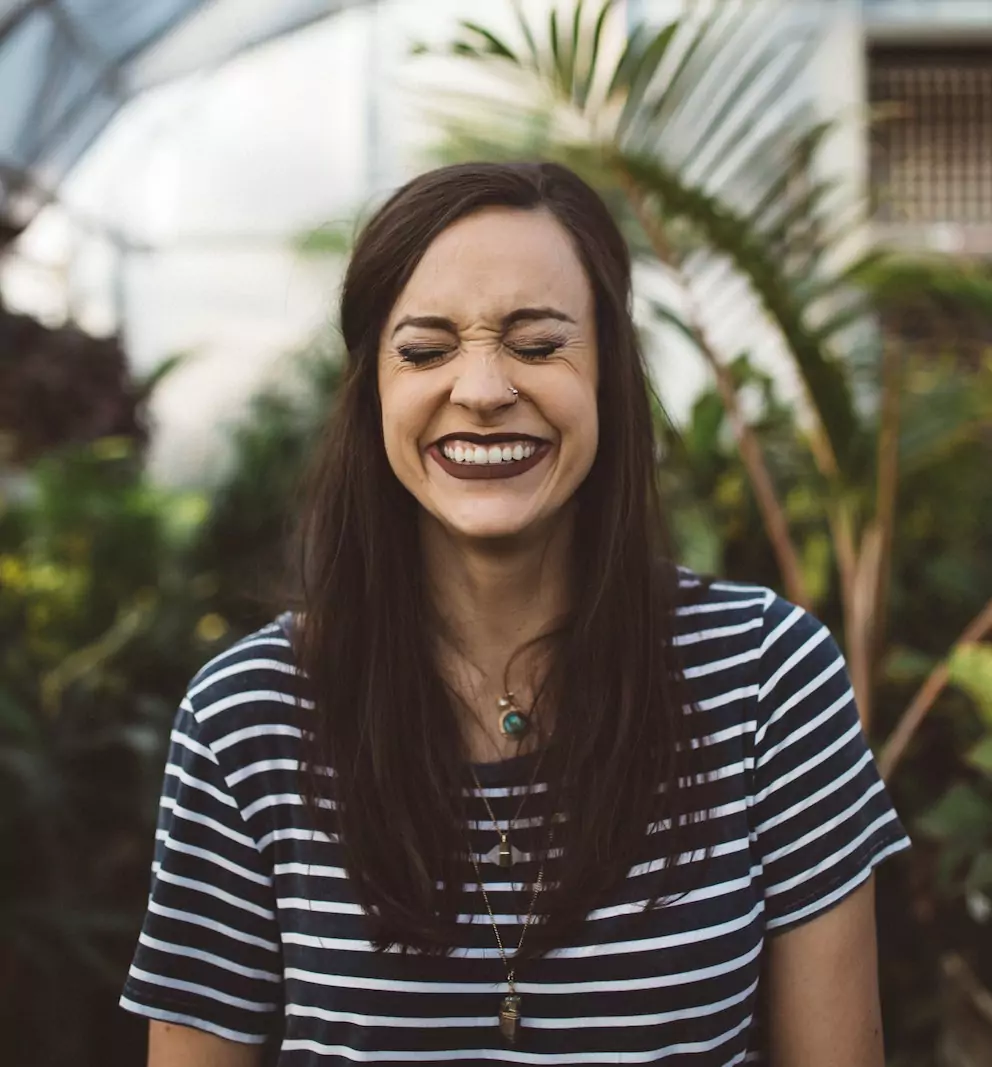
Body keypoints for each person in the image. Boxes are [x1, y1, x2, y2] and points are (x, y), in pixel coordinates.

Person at [120, 161, 910, 1066]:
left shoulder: (767, 678)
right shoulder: (248, 715)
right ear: (372, 387)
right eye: (425, 350)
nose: (484, 387)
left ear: (608, 371)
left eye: (537, 344)